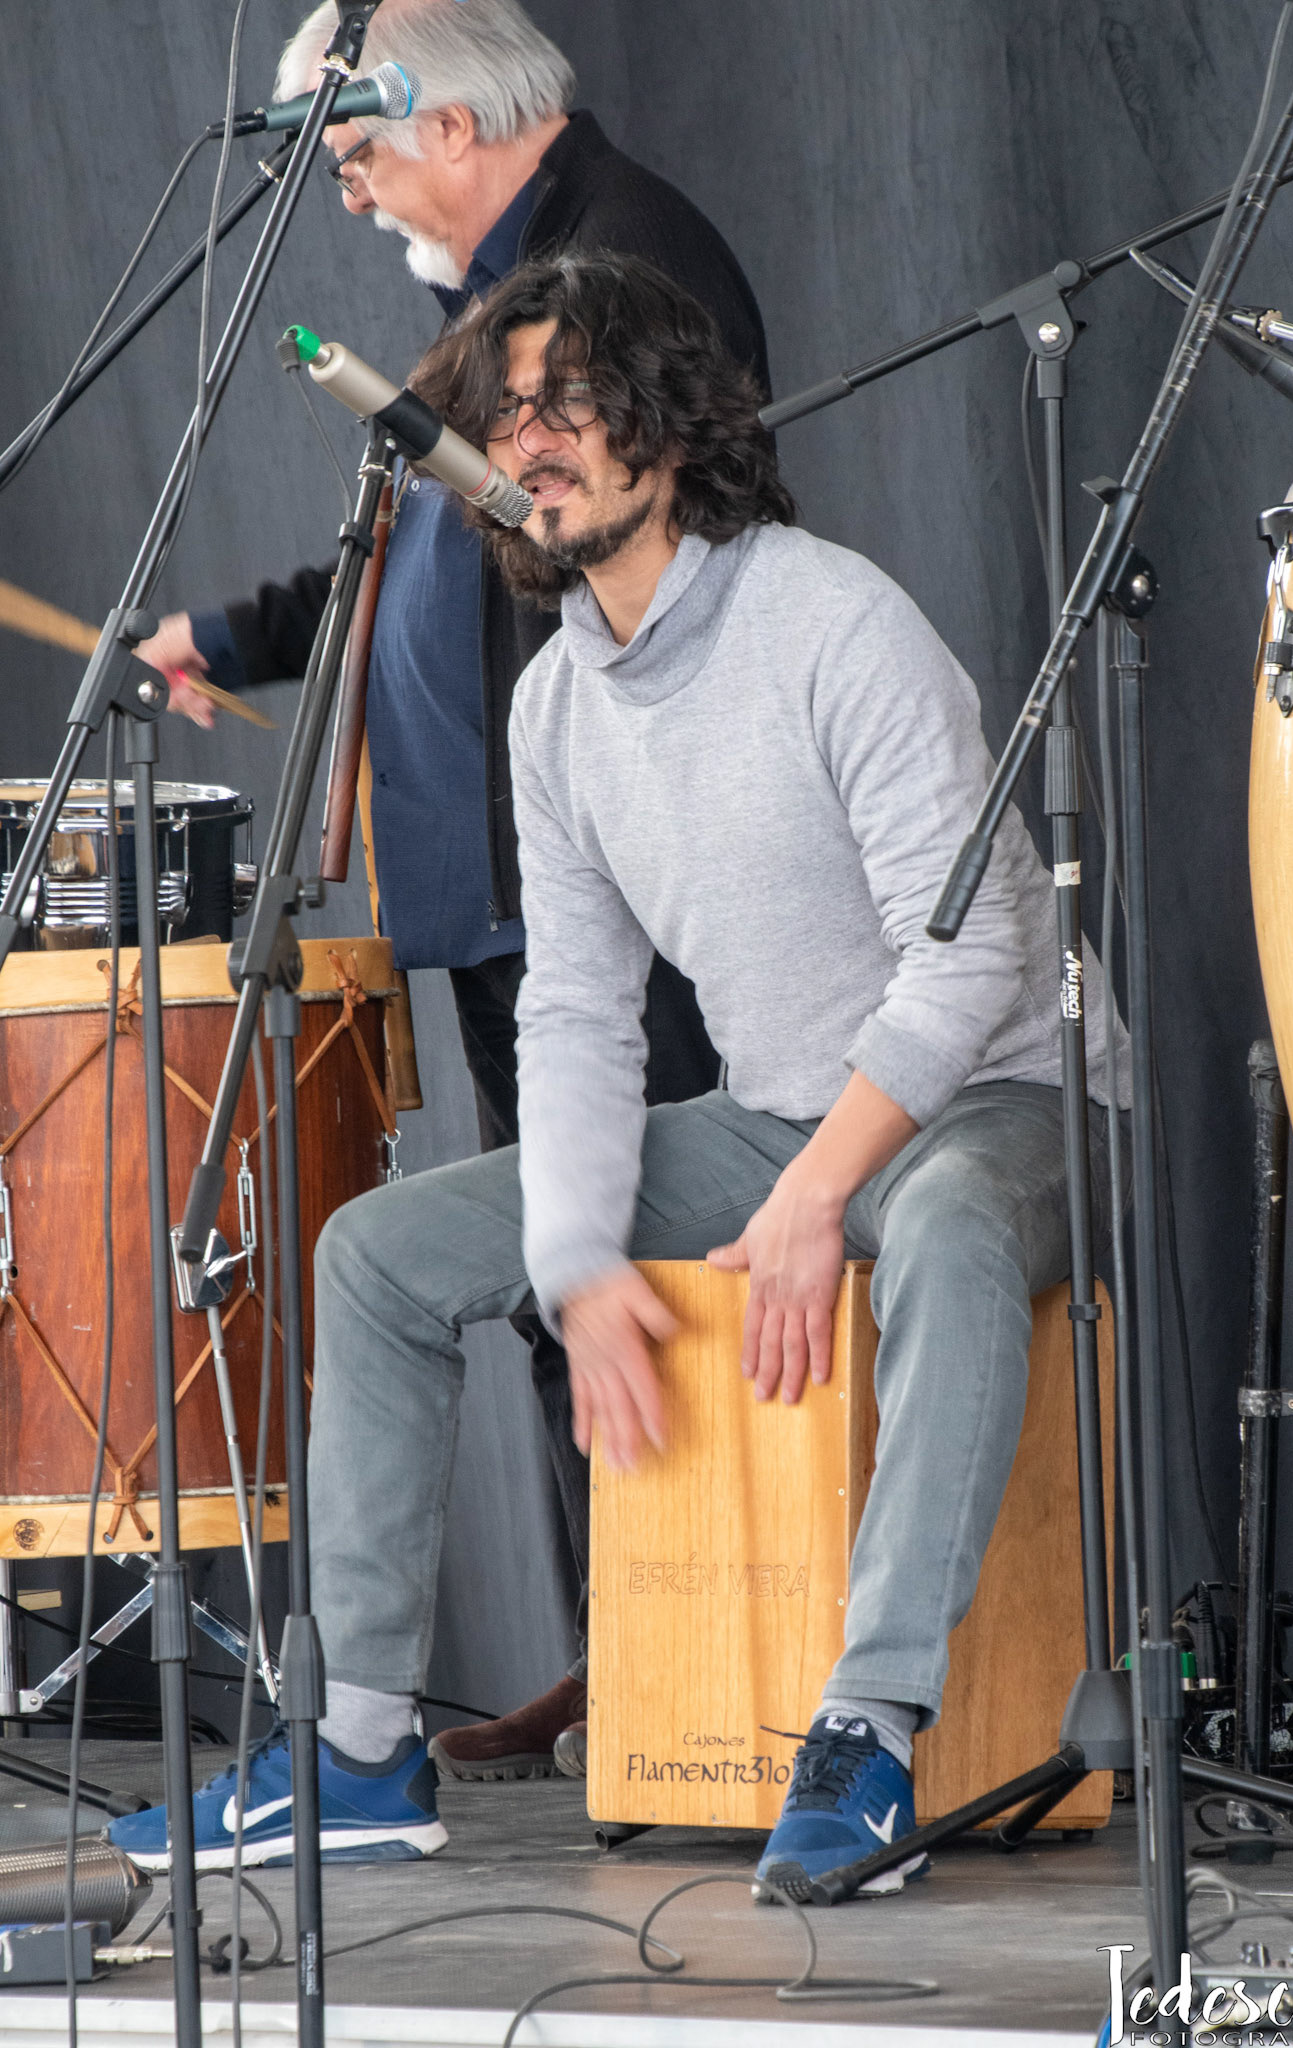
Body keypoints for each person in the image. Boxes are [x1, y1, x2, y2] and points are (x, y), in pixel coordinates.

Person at [112, 252, 1125, 1892]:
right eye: (507, 412)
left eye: (569, 398)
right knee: (376, 1255)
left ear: (669, 421)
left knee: (940, 1224)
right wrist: (577, 1263)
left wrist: (816, 1190)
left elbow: (973, 962)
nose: (529, 437)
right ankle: (358, 1752)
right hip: (779, 1113)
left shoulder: (833, 620)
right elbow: (577, 1013)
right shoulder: (559, 706)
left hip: (1005, 1102)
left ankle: (867, 1733)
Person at [135, 0, 770, 1782]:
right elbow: (427, 542)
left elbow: (609, 551)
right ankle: (622, 1647)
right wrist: (234, 636)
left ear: (456, 123)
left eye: (354, 152)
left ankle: (691, 1659)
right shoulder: (504, 292)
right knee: (566, 1277)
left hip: (612, 872)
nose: (342, 193)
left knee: (635, 1262)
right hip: (507, 882)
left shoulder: (617, 266)